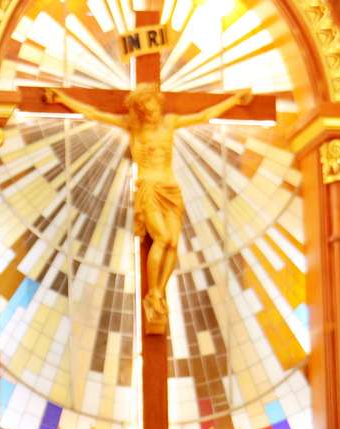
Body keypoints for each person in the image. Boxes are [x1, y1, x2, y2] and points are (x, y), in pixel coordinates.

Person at [44, 83, 251, 334]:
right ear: (139, 111)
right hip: (149, 189)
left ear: (157, 103)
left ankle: (159, 292)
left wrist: (234, 100)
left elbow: (204, 115)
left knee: (173, 243)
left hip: (171, 188)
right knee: (162, 238)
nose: (150, 111)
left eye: (151, 105)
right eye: (144, 108)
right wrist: (63, 99)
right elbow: (94, 114)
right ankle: (153, 291)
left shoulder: (170, 123)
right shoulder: (132, 127)